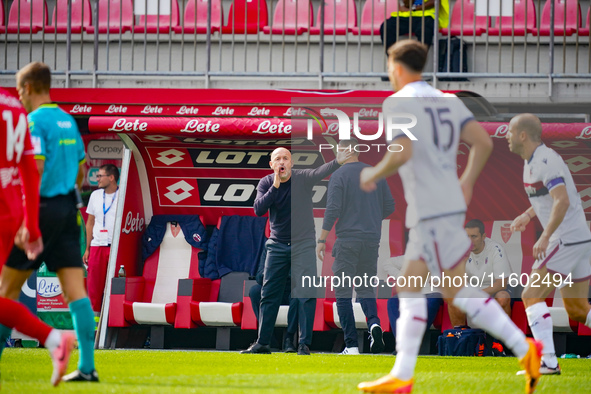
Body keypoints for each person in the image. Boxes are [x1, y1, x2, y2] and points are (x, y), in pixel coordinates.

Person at [357, 40, 542, 394]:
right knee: (448, 289)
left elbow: (403, 148)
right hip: (449, 203)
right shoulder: (448, 100)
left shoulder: (397, 102)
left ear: (396, 68)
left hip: (428, 206)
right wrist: (467, 182)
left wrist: (374, 172)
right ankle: (524, 349)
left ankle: (404, 375)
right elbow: (483, 143)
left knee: (416, 287)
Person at [0, 62, 99, 382]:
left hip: (38, 212)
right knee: (75, 293)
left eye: (19, 91)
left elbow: (36, 168)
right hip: (69, 211)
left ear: (28, 88)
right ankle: (86, 367)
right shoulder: (69, 121)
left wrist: (28, 217)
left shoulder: (33, 121)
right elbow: (82, 172)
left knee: (6, 291)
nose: (19, 98)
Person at [241, 147, 352, 355]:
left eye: (285, 158)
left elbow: (320, 171)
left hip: (303, 244)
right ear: (272, 165)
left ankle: (303, 344)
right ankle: (263, 342)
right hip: (276, 245)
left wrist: (337, 161)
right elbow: (258, 210)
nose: (282, 162)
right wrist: (275, 187)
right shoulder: (266, 183)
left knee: (305, 294)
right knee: (268, 294)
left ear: (291, 163)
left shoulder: (302, 178)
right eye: (277, 159)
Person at [0, 86, 74, 386]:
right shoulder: (14, 106)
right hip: (12, 211)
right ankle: (53, 339)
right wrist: (30, 222)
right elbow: (31, 170)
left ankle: (53, 337)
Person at [507, 113, 591, 376]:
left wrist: (544, 237)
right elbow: (545, 198)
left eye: (510, 132)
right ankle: (549, 362)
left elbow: (562, 201)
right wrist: (527, 215)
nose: (506, 136)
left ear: (523, 135)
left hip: (565, 239)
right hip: (579, 240)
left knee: (530, 295)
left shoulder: (546, 160)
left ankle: (548, 362)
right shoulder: (531, 161)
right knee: (577, 310)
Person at [316, 139, 395, 355]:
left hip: (348, 240)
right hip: (371, 240)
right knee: (365, 287)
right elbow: (390, 205)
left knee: (342, 292)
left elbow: (332, 209)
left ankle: (351, 346)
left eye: (338, 151)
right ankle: (374, 324)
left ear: (346, 151)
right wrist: (370, 219)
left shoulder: (339, 175)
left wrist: (322, 239)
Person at [447, 219, 513, 327]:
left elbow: (501, 284)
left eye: (474, 236)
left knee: (503, 297)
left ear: (483, 237)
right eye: (467, 237)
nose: (470, 241)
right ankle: (460, 336)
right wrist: (462, 263)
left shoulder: (496, 249)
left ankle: (499, 342)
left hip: (493, 290)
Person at [83, 164, 119, 313]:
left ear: (111, 178)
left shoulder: (123, 194)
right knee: (94, 289)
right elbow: (90, 223)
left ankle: (112, 325)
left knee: (116, 288)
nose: (97, 179)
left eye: (100, 176)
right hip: (97, 246)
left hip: (116, 247)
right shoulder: (95, 195)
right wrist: (87, 248)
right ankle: (94, 330)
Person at [249, 248, 298, 352]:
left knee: (299, 294)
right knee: (254, 291)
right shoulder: (269, 248)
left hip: (290, 289)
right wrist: (272, 276)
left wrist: (276, 275)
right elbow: (259, 276)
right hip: (273, 288)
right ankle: (268, 339)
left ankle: (289, 340)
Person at [380, 0, 449, 52]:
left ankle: (417, 63)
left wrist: (414, 8)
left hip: (427, 15)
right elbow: (405, 5)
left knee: (424, 29)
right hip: (407, 15)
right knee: (387, 27)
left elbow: (435, 1)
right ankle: (395, 61)